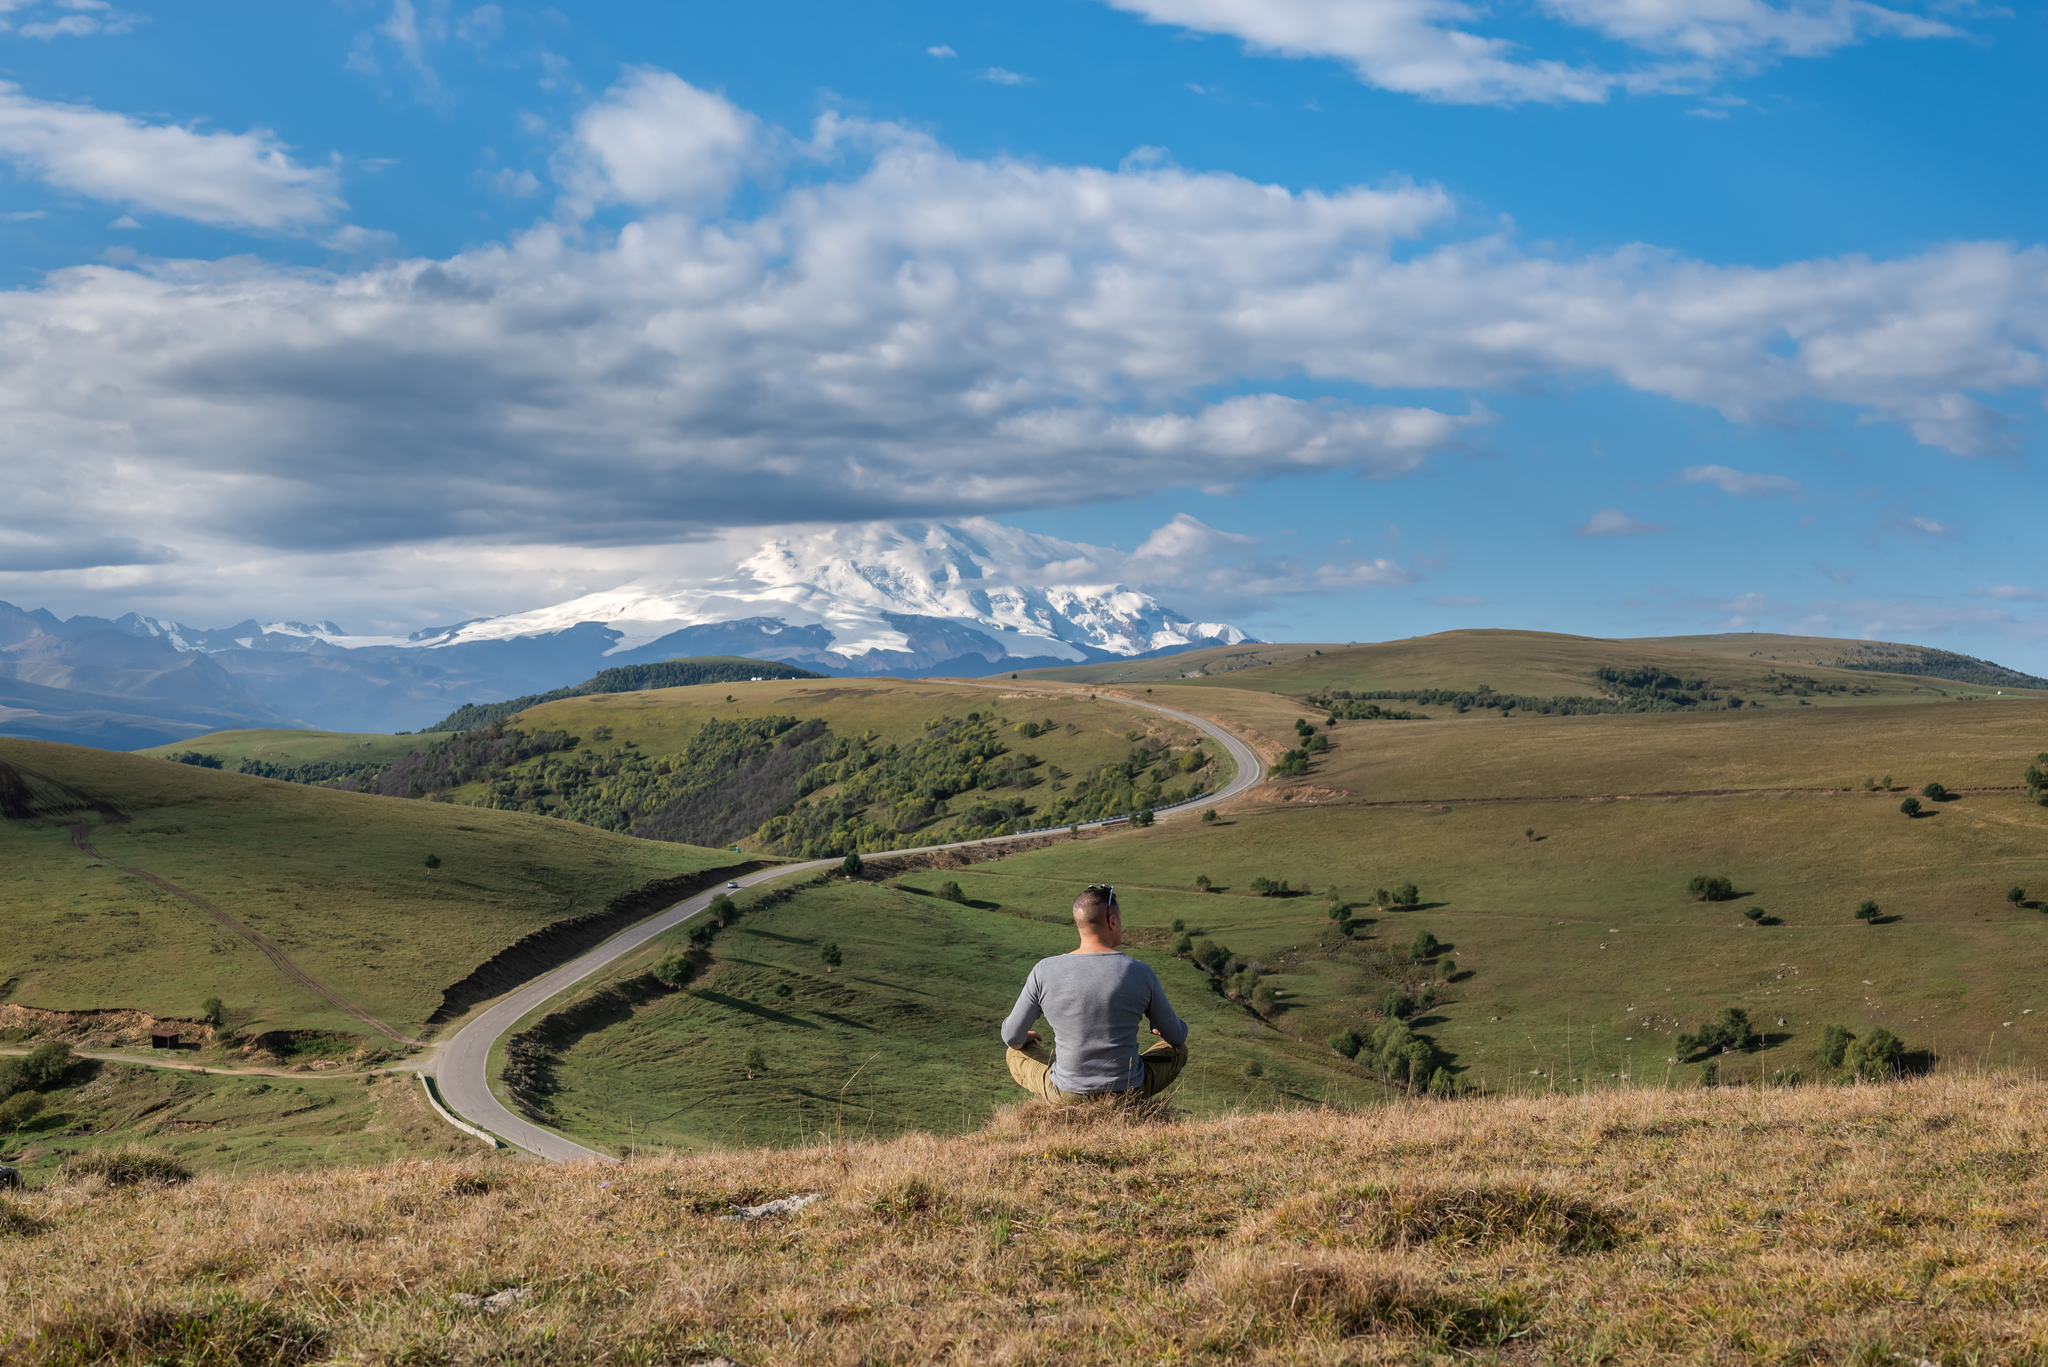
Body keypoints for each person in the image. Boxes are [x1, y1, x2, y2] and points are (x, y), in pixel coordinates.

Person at [1000, 884, 1188, 1103]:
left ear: (1079, 923)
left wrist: (1025, 1038)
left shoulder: (1044, 970)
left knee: (1014, 1052)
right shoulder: (1140, 971)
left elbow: (1011, 1036)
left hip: (1068, 1095)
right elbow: (1176, 1036)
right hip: (1128, 1093)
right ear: (1112, 921)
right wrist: (1162, 1024)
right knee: (1178, 1050)